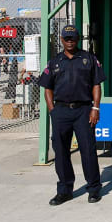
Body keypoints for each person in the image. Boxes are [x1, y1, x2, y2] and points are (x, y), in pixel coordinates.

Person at [38, 25, 105, 205]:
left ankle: (93, 189)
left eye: (72, 38)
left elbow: (96, 85)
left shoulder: (88, 59)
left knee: (88, 151)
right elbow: (47, 88)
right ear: (61, 39)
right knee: (61, 152)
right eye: (66, 38)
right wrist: (53, 110)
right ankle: (65, 190)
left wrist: (95, 108)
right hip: (61, 111)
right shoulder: (54, 62)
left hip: (83, 111)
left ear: (77, 39)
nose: (69, 41)